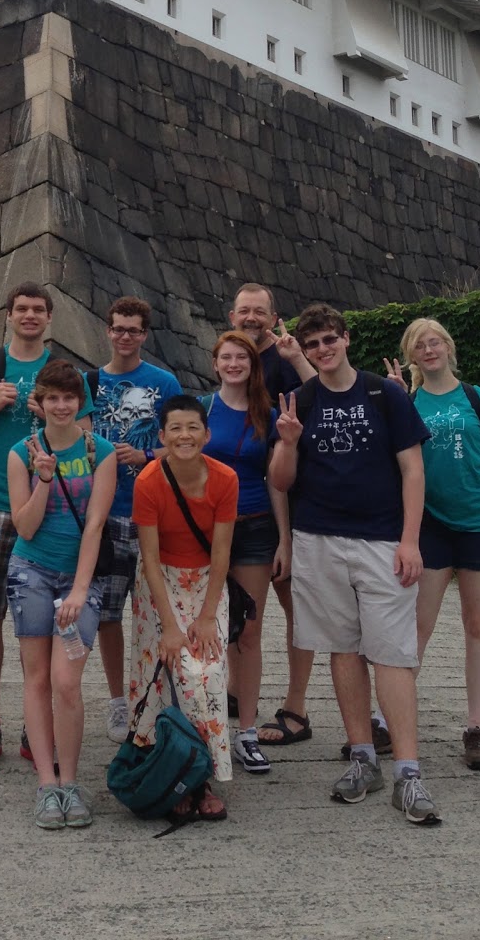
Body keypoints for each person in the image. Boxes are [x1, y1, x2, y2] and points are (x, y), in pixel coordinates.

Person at [270, 303, 440, 825]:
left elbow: (413, 470)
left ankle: (408, 771)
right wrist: (289, 442)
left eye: (330, 340)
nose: (323, 349)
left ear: (346, 339)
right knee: (342, 648)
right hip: (319, 536)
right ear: (306, 348)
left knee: (390, 652)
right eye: (314, 343)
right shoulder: (300, 398)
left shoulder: (383, 393)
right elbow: (281, 479)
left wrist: (410, 541)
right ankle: (362, 755)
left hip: (381, 540)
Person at [0, 283, 93, 773]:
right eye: (21, 309)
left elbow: (88, 444)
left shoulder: (64, 374)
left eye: (38, 310)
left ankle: (40, 720)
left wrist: (50, 418)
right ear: (8, 316)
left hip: (53, 509)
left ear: (50, 318)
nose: (30, 316)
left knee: (50, 618)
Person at [389, 318, 480, 772]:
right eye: (419, 345)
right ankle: (392, 721)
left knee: (479, 624)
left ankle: (476, 727)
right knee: (415, 627)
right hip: (430, 524)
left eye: (435, 342)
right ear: (411, 355)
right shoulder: (407, 402)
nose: (429, 350)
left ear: (448, 347)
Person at [7, 361, 116, 828]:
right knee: (36, 680)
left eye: (69, 398)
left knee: (67, 682)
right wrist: (44, 479)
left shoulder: (100, 451)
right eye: (52, 398)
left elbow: (95, 525)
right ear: (41, 402)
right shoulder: (20, 453)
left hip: (80, 577)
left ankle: (70, 782)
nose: (61, 405)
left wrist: (78, 588)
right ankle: (47, 785)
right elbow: (25, 526)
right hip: (30, 570)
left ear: (80, 402)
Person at [130, 394, 237, 821]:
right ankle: (164, 765)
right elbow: (150, 559)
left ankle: (199, 774)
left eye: (193, 427)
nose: (184, 436)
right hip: (160, 582)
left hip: (207, 582)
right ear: (162, 435)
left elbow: (223, 553)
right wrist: (170, 626)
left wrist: (208, 614)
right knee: (159, 672)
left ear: (206, 434)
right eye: (175, 428)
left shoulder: (225, 478)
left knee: (204, 671)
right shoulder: (149, 481)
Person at [226, 282, 318, 751]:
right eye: (245, 310)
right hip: (251, 503)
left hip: (297, 499)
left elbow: (321, 399)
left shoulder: (286, 360)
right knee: (241, 607)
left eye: (260, 311)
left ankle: (296, 708)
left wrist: (297, 355)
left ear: (273, 315)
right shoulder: (233, 362)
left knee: (294, 603)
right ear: (231, 316)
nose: (252, 318)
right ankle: (236, 692)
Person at [87, 296, 181, 741]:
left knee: (154, 612)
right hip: (101, 515)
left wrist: (146, 455)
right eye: (118, 328)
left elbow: (184, 444)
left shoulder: (163, 383)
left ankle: (157, 695)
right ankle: (118, 702)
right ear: (108, 331)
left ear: (145, 335)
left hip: (148, 514)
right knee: (108, 615)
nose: (125, 337)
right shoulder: (89, 382)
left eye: (134, 330)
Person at [203, 329, 287, 775]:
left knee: (249, 631)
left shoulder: (267, 415)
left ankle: (247, 732)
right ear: (215, 364)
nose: (234, 364)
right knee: (207, 627)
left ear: (253, 366)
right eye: (227, 357)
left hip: (254, 526)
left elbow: (276, 482)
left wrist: (284, 539)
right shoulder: (201, 408)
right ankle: (207, 723)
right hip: (204, 530)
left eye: (243, 358)